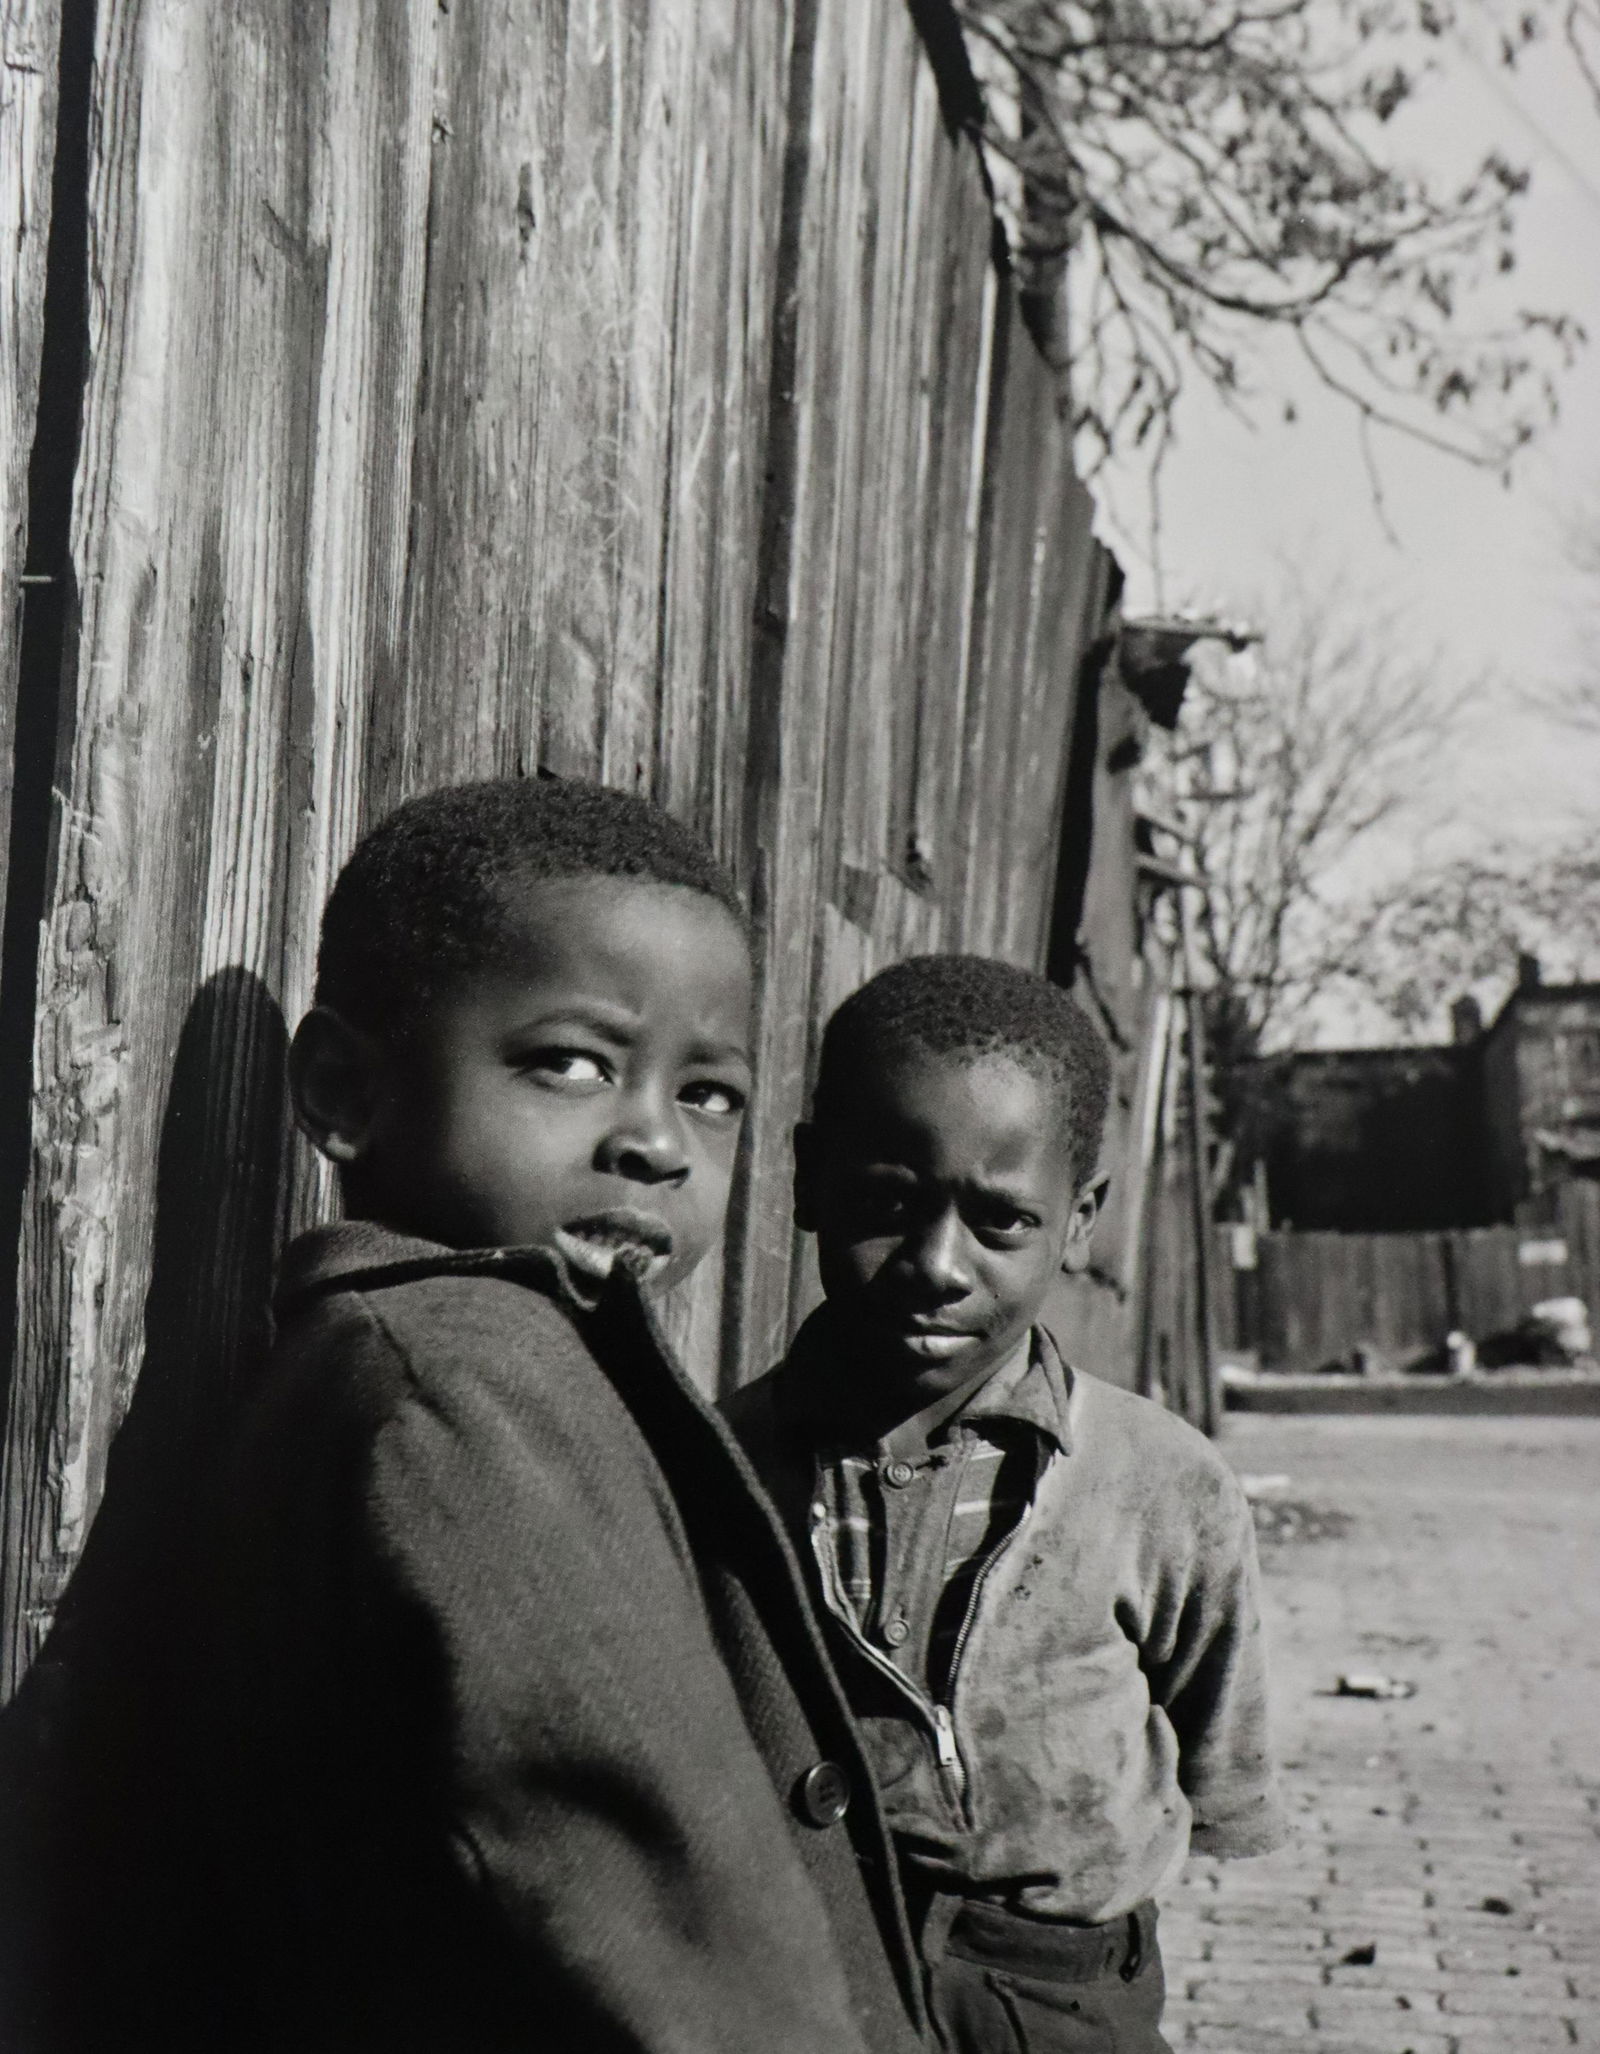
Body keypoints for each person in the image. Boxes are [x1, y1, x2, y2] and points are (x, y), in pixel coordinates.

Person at [6, 778, 924, 2054]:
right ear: (343, 1087)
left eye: (708, 1092)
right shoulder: (472, 1386)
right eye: (570, 1062)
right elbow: (650, 1885)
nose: (655, 1141)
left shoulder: (418, 1359)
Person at [724, 954, 1286, 2054]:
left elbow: (1220, 1750)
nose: (937, 1262)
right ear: (805, 1179)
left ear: (1077, 1219)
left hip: (1063, 1992)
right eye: (888, 1201)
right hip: (800, 1972)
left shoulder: (1162, 1482)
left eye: (1000, 1221)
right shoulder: (721, 1467)